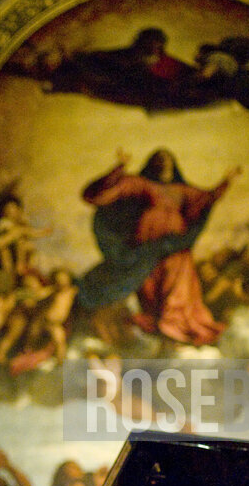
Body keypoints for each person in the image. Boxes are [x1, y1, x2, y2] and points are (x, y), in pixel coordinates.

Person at [77, 148, 239, 346]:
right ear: (153, 165)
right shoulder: (142, 184)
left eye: (168, 162)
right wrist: (118, 168)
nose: (164, 165)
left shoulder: (183, 190)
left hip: (175, 241)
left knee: (177, 279)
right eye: (160, 162)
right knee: (149, 279)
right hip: (147, 238)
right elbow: (106, 192)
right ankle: (157, 321)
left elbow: (206, 199)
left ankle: (175, 324)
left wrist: (226, 181)